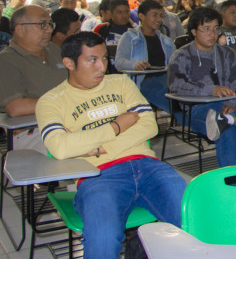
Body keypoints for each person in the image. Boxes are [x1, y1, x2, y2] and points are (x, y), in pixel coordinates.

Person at [36, 31, 186, 259]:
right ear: (69, 63)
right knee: (103, 240)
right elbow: (60, 147)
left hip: (149, 167)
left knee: (194, 223)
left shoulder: (121, 82)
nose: (102, 67)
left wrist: (97, 147)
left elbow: (148, 126)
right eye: (92, 60)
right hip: (97, 176)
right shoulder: (51, 101)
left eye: (105, 58)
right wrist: (116, 126)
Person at [167, 7, 236, 168]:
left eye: (216, 29)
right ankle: (232, 183)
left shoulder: (227, 53)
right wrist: (211, 89)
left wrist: (233, 105)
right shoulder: (181, 55)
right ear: (193, 31)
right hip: (198, 109)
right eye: (206, 29)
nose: (212, 34)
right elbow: (177, 86)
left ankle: (227, 120)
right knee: (227, 132)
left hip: (230, 106)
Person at [0, 6, 67, 152]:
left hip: (70, 122)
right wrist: (67, 102)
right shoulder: (6, 60)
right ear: (20, 29)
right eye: (42, 24)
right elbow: (16, 108)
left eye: (50, 24)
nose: (49, 29)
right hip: (32, 131)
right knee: (79, 147)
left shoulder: (54, 50)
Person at [115, 0, 175, 112]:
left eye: (161, 16)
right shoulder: (129, 37)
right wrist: (135, 65)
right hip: (143, 81)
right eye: (154, 15)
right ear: (141, 16)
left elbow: (175, 64)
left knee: (181, 91)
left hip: (165, 79)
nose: (159, 19)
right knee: (172, 98)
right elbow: (119, 62)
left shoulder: (166, 41)